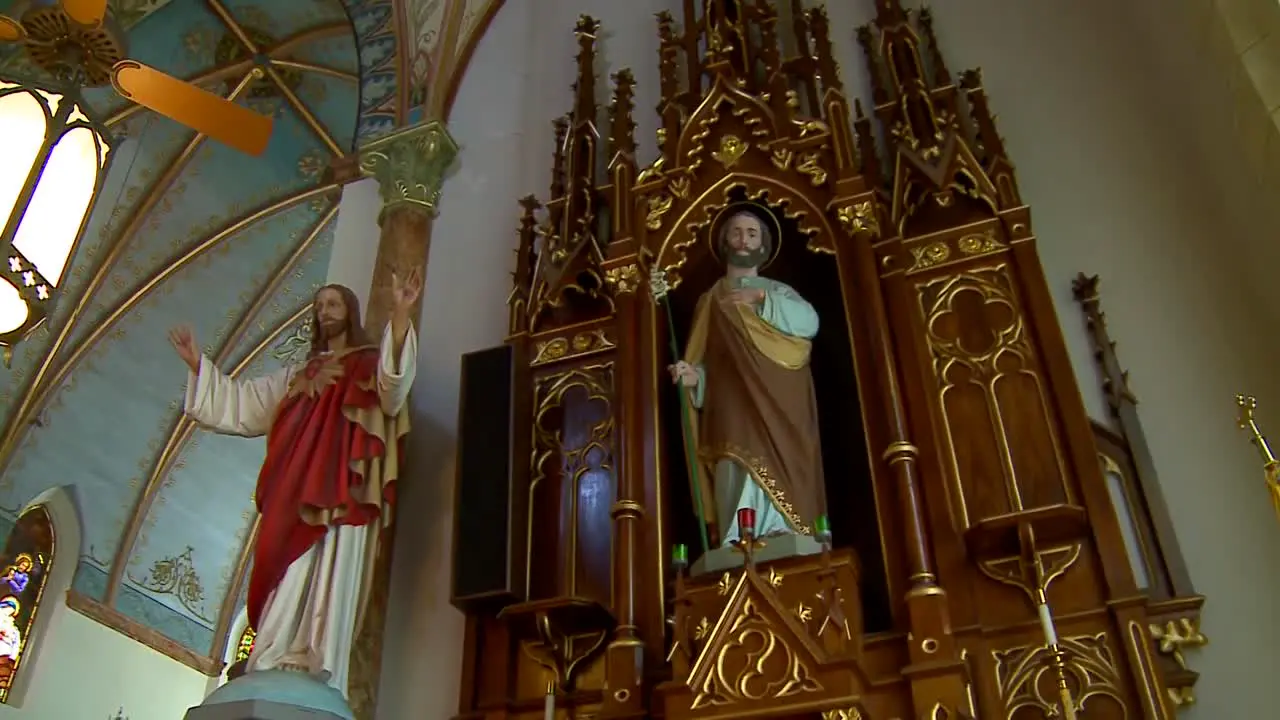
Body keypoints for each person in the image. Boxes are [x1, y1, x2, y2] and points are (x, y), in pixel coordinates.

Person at [168, 269, 422, 696]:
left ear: (351, 313)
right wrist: (199, 365)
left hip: (343, 490)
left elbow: (394, 390)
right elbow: (241, 404)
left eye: (333, 304)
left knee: (331, 567)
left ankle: (318, 660)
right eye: (320, 306)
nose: (325, 312)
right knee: (285, 567)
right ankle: (271, 653)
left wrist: (400, 313)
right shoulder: (293, 376)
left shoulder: (366, 364)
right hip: (294, 488)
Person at [668, 204, 827, 547]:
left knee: (784, 468)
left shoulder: (778, 291)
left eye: (751, 233)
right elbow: (711, 360)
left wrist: (762, 299)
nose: (743, 239)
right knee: (734, 468)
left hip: (783, 405)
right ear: (725, 241)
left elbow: (809, 325)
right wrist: (695, 379)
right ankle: (737, 540)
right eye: (736, 232)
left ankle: (788, 532)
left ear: (763, 244)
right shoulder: (710, 300)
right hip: (732, 408)